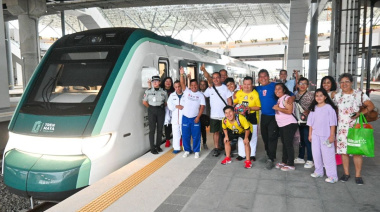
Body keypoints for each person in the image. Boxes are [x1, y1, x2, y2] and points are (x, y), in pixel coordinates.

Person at [333, 73, 375, 185]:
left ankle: (358, 175)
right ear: (339, 84)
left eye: (347, 81)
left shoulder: (359, 94)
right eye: (342, 82)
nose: (344, 84)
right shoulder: (337, 96)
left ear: (351, 82)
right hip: (342, 128)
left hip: (356, 127)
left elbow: (371, 106)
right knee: (344, 152)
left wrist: (360, 113)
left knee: (357, 152)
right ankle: (346, 174)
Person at [307, 88, 338, 183]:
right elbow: (311, 123)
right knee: (316, 154)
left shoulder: (329, 108)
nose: (319, 97)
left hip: (326, 136)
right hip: (315, 135)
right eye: (317, 96)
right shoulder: (313, 108)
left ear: (325, 97)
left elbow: (333, 123)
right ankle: (319, 171)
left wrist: (332, 135)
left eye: (321, 95)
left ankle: (332, 176)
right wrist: (310, 134)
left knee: (328, 156)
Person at [203, 71, 233, 157]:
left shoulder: (225, 88)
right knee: (216, 132)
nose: (215, 79)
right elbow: (203, 97)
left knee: (226, 133)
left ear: (220, 78)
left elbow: (229, 101)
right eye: (214, 77)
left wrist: (230, 114)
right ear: (212, 79)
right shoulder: (210, 89)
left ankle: (226, 148)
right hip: (214, 115)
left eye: (217, 77)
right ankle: (216, 148)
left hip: (225, 115)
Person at [255, 69, 280, 169]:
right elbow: (246, 90)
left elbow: (289, 94)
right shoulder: (258, 88)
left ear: (268, 76)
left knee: (272, 137)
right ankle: (268, 153)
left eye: (265, 76)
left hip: (274, 116)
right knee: (265, 137)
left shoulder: (275, 85)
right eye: (260, 76)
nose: (263, 78)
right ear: (258, 79)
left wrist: (291, 98)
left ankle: (271, 158)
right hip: (264, 116)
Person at [179, 67, 205, 159]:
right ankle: (187, 150)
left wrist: (198, 117)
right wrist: (182, 74)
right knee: (185, 135)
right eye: (192, 85)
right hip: (185, 117)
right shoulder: (187, 92)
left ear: (197, 86)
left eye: (195, 85)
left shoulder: (201, 95)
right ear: (190, 86)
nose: (194, 87)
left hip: (195, 118)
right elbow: (182, 83)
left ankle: (196, 151)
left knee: (196, 136)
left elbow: (202, 107)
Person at [233, 76, 261, 161]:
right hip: (241, 118)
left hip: (252, 117)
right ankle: (241, 154)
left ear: (252, 84)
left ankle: (252, 154)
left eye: (248, 84)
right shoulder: (238, 93)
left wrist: (250, 108)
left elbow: (259, 107)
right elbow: (234, 104)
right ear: (242, 84)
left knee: (253, 137)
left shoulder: (255, 94)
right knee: (241, 136)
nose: (246, 86)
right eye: (245, 84)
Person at [272, 83, 298, 171]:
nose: (277, 91)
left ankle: (291, 164)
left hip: (289, 124)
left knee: (288, 143)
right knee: (284, 143)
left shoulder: (287, 98)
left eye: (279, 89)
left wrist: (278, 108)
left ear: (284, 90)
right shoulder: (280, 99)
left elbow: (289, 111)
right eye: (275, 89)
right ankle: (284, 161)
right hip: (282, 124)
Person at [142, 76, 168, 154]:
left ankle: (158, 146)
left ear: (159, 82)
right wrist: (151, 108)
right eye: (153, 81)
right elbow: (144, 102)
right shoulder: (148, 91)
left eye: (157, 81)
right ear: (152, 83)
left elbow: (166, 102)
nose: (155, 83)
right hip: (151, 110)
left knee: (160, 129)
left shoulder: (164, 92)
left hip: (160, 110)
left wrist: (159, 108)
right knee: (152, 130)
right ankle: (152, 148)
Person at [319, 76, 342, 165]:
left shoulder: (333, 94)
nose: (326, 84)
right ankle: (324, 160)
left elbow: (338, 108)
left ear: (332, 84)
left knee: (331, 140)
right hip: (321, 121)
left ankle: (332, 161)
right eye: (324, 82)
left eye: (328, 82)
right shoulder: (320, 93)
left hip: (330, 121)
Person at [293, 77, 315, 169]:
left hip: (308, 121)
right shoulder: (295, 95)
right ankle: (301, 157)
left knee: (307, 139)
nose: (302, 86)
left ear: (307, 85)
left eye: (304, 84)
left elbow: (315, 106)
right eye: (300, 83)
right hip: (299, 120)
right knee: (301, 139)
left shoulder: (311, 95)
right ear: (297, 85)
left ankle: (310, 159)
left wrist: (309, 110)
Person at [167, 80, 184, 154]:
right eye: (176, 87)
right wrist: (176, 106)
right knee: (176, 134)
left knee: (185, 134)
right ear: (174, 87)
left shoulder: (185, 94)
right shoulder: (172, 95)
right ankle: (176, 148)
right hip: (175, 119)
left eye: (179, 86)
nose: (178, 88)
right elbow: (169, 106)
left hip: (184, 118)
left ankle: (186, 147)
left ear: (181, 86)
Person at [161, 77, 175, 148]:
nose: (168, 82)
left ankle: (177, 139)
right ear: (164, 82)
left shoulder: (174, 91)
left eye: (170, 81)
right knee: (167, 125)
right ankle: (167, 140)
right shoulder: (161, 91)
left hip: (173, 110)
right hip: (165, 110)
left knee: (174, 124)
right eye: (166, 81)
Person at [199, 80, 211, 150]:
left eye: (204, 84)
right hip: (198, 114)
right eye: (201, 84)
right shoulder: (197, 93)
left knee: (203, 129)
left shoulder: (208, 93)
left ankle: (204, 143)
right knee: (198, 130)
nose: (202, 86)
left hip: (205, 114)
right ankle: (199, 143)